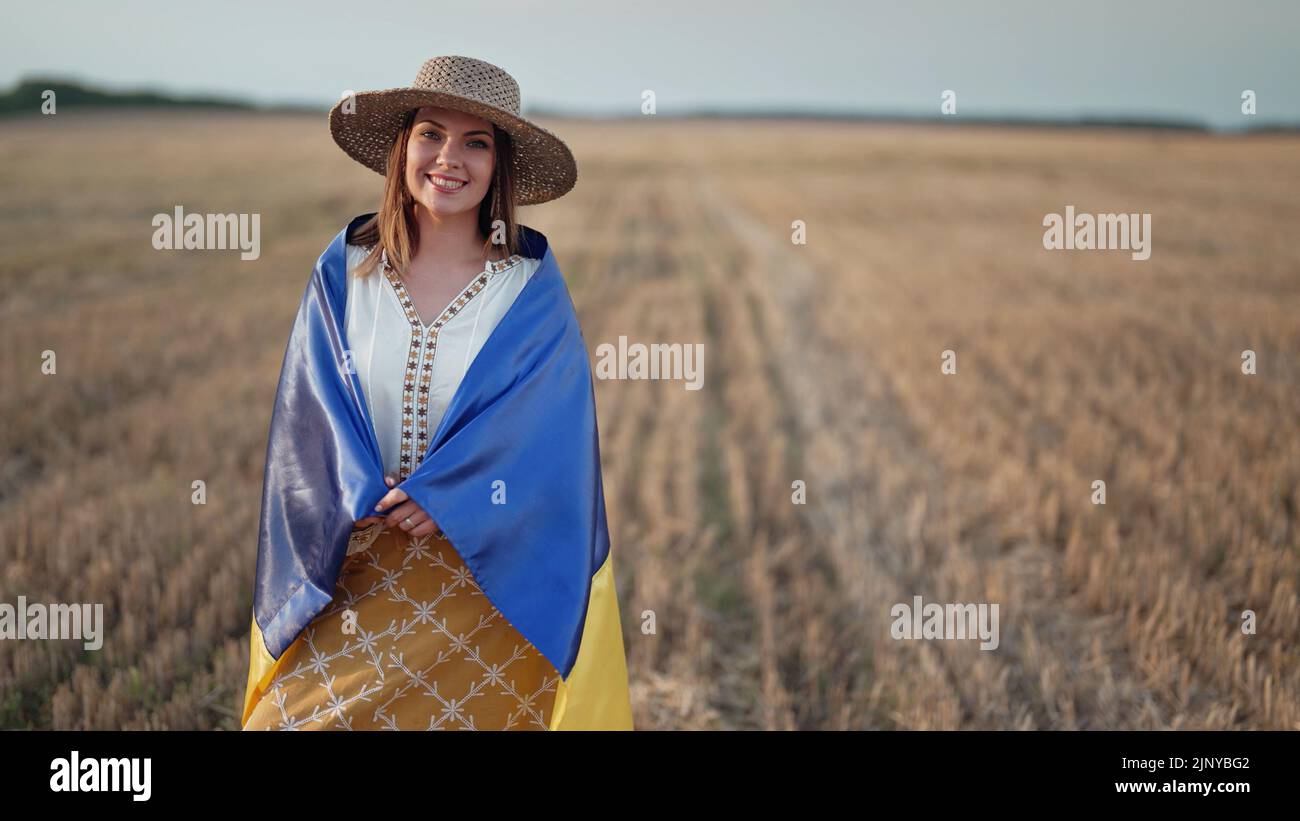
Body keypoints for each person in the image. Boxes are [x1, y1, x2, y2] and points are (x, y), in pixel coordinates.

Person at [241, 56, 633, 730]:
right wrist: (356, 486)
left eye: (476, 142)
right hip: (354, 570)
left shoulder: (529, 290)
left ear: (498, 164)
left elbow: (552, 446)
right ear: (403, 148)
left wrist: (454, 494)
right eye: (431, 134)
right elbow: (306, 421)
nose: (449, 158)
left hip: (490, 588)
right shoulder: (342, 273)